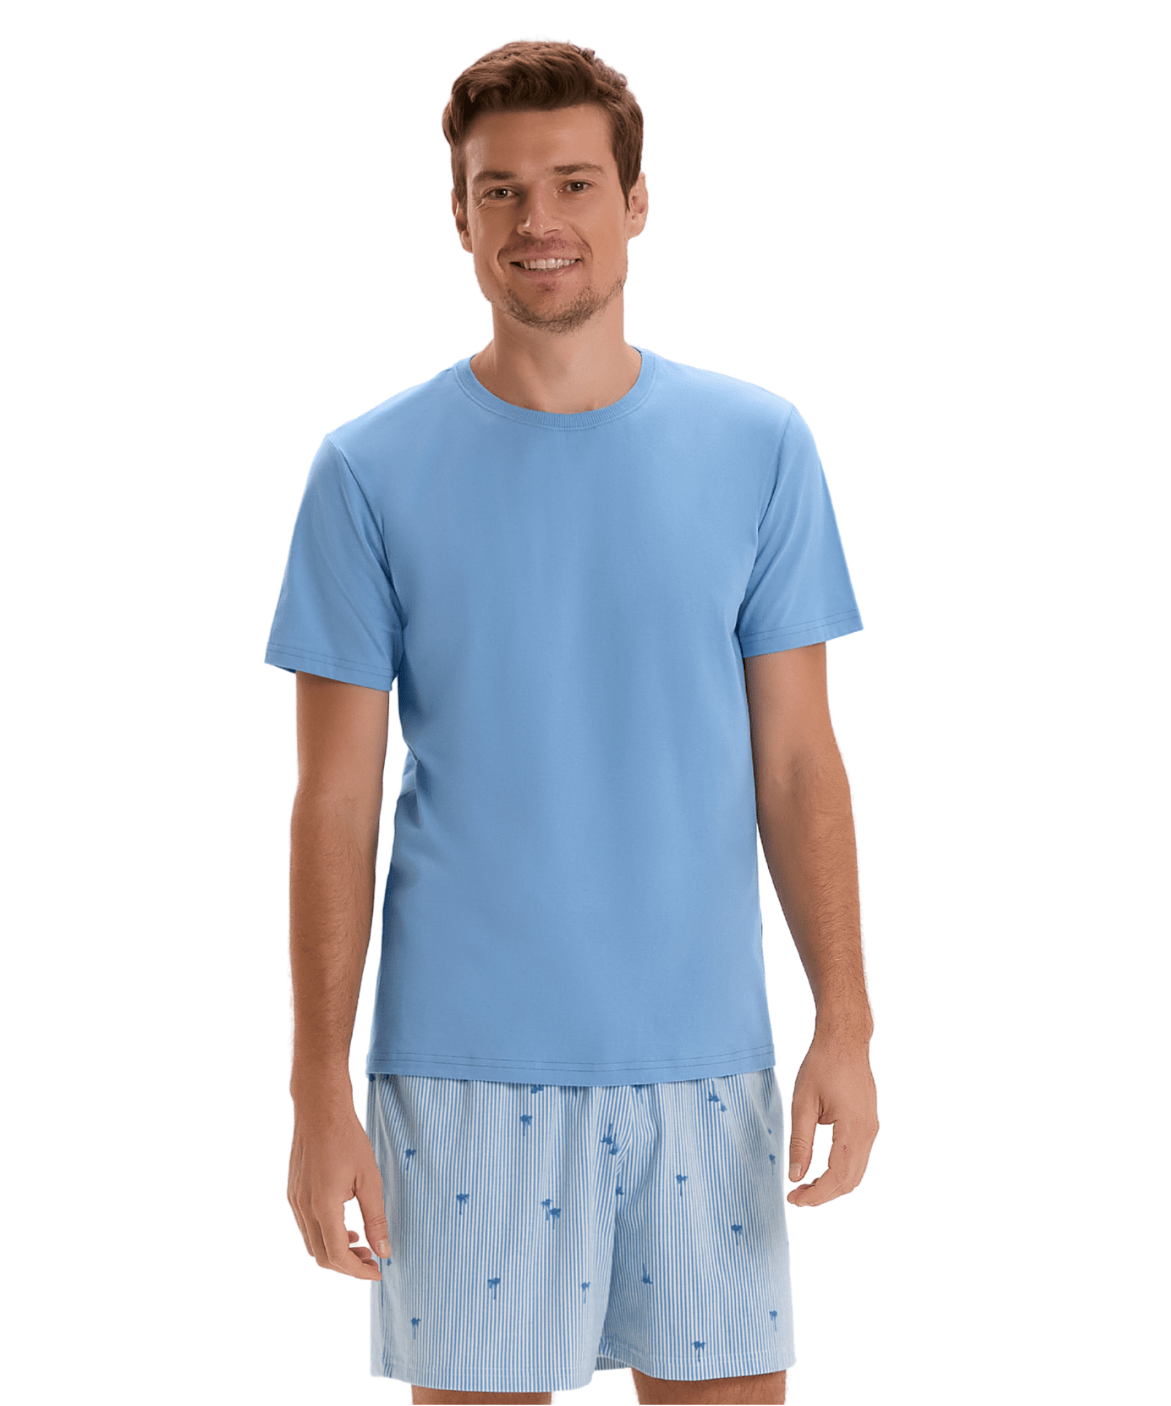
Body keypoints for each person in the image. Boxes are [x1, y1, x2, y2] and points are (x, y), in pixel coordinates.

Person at [264, 39, 878, 1406]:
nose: (537, 220)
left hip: (706, 1065)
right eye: (500, 190)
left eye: (573, 183)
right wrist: (316, 1090)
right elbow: (334, 802)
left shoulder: (760, 446)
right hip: (461, 1073)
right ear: (459, 215)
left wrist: (845, 1020)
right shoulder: (367, 471)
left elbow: (797, 761)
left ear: (636, 201)